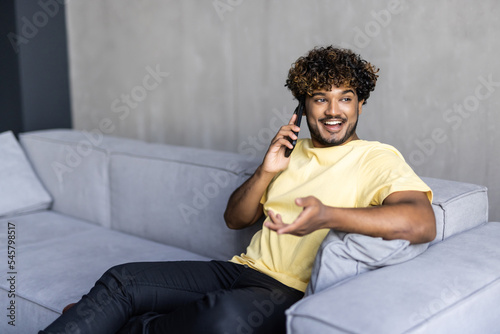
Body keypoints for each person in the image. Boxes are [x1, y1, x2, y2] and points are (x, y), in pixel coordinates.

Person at [40, 46, 436, 334]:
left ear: (361, 104)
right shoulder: (288, 155)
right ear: (303, 106)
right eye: (321, 99)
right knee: (122, 280)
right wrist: (266, 171)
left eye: (345, 98)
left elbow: (422, 223)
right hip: (238, 271)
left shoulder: (377, 158)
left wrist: (328, 216)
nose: (334, 111)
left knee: (223, 319)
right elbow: (235, 219)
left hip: (288, 291)